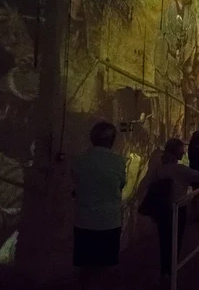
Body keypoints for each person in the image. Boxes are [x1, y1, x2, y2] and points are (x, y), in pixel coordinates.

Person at [144, 138, 199, 284]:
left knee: (164, 240)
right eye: (181, 149)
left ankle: (165, 271)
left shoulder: (159, 168)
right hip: (177, 209)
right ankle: (172, 271)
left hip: (162, 209)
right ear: (177, 152)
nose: (184, 152)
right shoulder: (179, 170)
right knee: (176, 240)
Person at [71, 122, 126, 290]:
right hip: (109, 220)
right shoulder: (118, 161)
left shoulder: (79, 160)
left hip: (84, 219)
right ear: (112, 140)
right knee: (106, 264)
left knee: (85, 264)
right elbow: (121, 185)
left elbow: (77, 184)